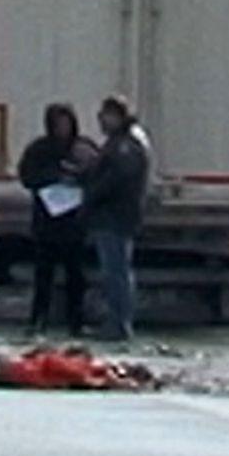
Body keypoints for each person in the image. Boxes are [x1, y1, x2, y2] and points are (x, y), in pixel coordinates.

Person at [16, 103, 96, 337]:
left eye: (67, 123)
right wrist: (52, 178)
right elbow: (27, 176)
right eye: (58, 123)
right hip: (47, 220)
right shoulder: (39, 149)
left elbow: (97, 173)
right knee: (43, 275)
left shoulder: (84, 148)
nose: (63, 128)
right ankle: (38, 320)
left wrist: (77, 176)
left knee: (76, 276)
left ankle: (77, 322)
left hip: (74, 222)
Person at [82, 94, 151, 343]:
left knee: (116, 271)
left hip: (114, 217)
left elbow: (116, 180)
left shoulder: (125, 145)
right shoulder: (126, 141)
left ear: (116, 116)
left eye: (104, 116)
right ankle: (117, 321)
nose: (101, 122)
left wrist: (90, 194)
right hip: (117, 215)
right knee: (117, 270)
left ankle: (118, 323)